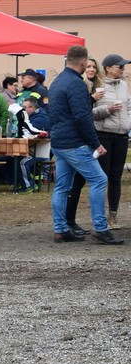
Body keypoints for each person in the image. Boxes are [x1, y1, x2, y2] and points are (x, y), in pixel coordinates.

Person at [48, 46, 122, 245]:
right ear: (82, 62)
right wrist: (95, 143)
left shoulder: (57, 81)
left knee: (62, 186)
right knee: (99, 179)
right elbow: (82, 117)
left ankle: (60, 229)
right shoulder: (77, 84)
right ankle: (100, 228)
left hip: (59, 142)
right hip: (75, 143)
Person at [65, 56, 105, 234]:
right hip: (81, 140)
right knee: (79, 182)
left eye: (94, 67)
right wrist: (92, 99)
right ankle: (70, 221)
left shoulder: (99, 86)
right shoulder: (78, 85)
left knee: (80, 182)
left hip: (95, 136)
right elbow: (80, 113)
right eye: (88, 66)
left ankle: (69, 221)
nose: (91, 69)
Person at [92, 53, 131, 228]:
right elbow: (90, 112)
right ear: (108, 68)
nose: (123, 69)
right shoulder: (97, 85)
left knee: (116, 177)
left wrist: (128, 123)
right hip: (104, 135)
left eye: (124, 66)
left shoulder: (123, 85)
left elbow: (128, 107)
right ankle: (99, 218)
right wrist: (107, 109)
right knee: (102, 177)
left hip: (121, 135)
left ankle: (113, 216)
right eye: (120, 66)